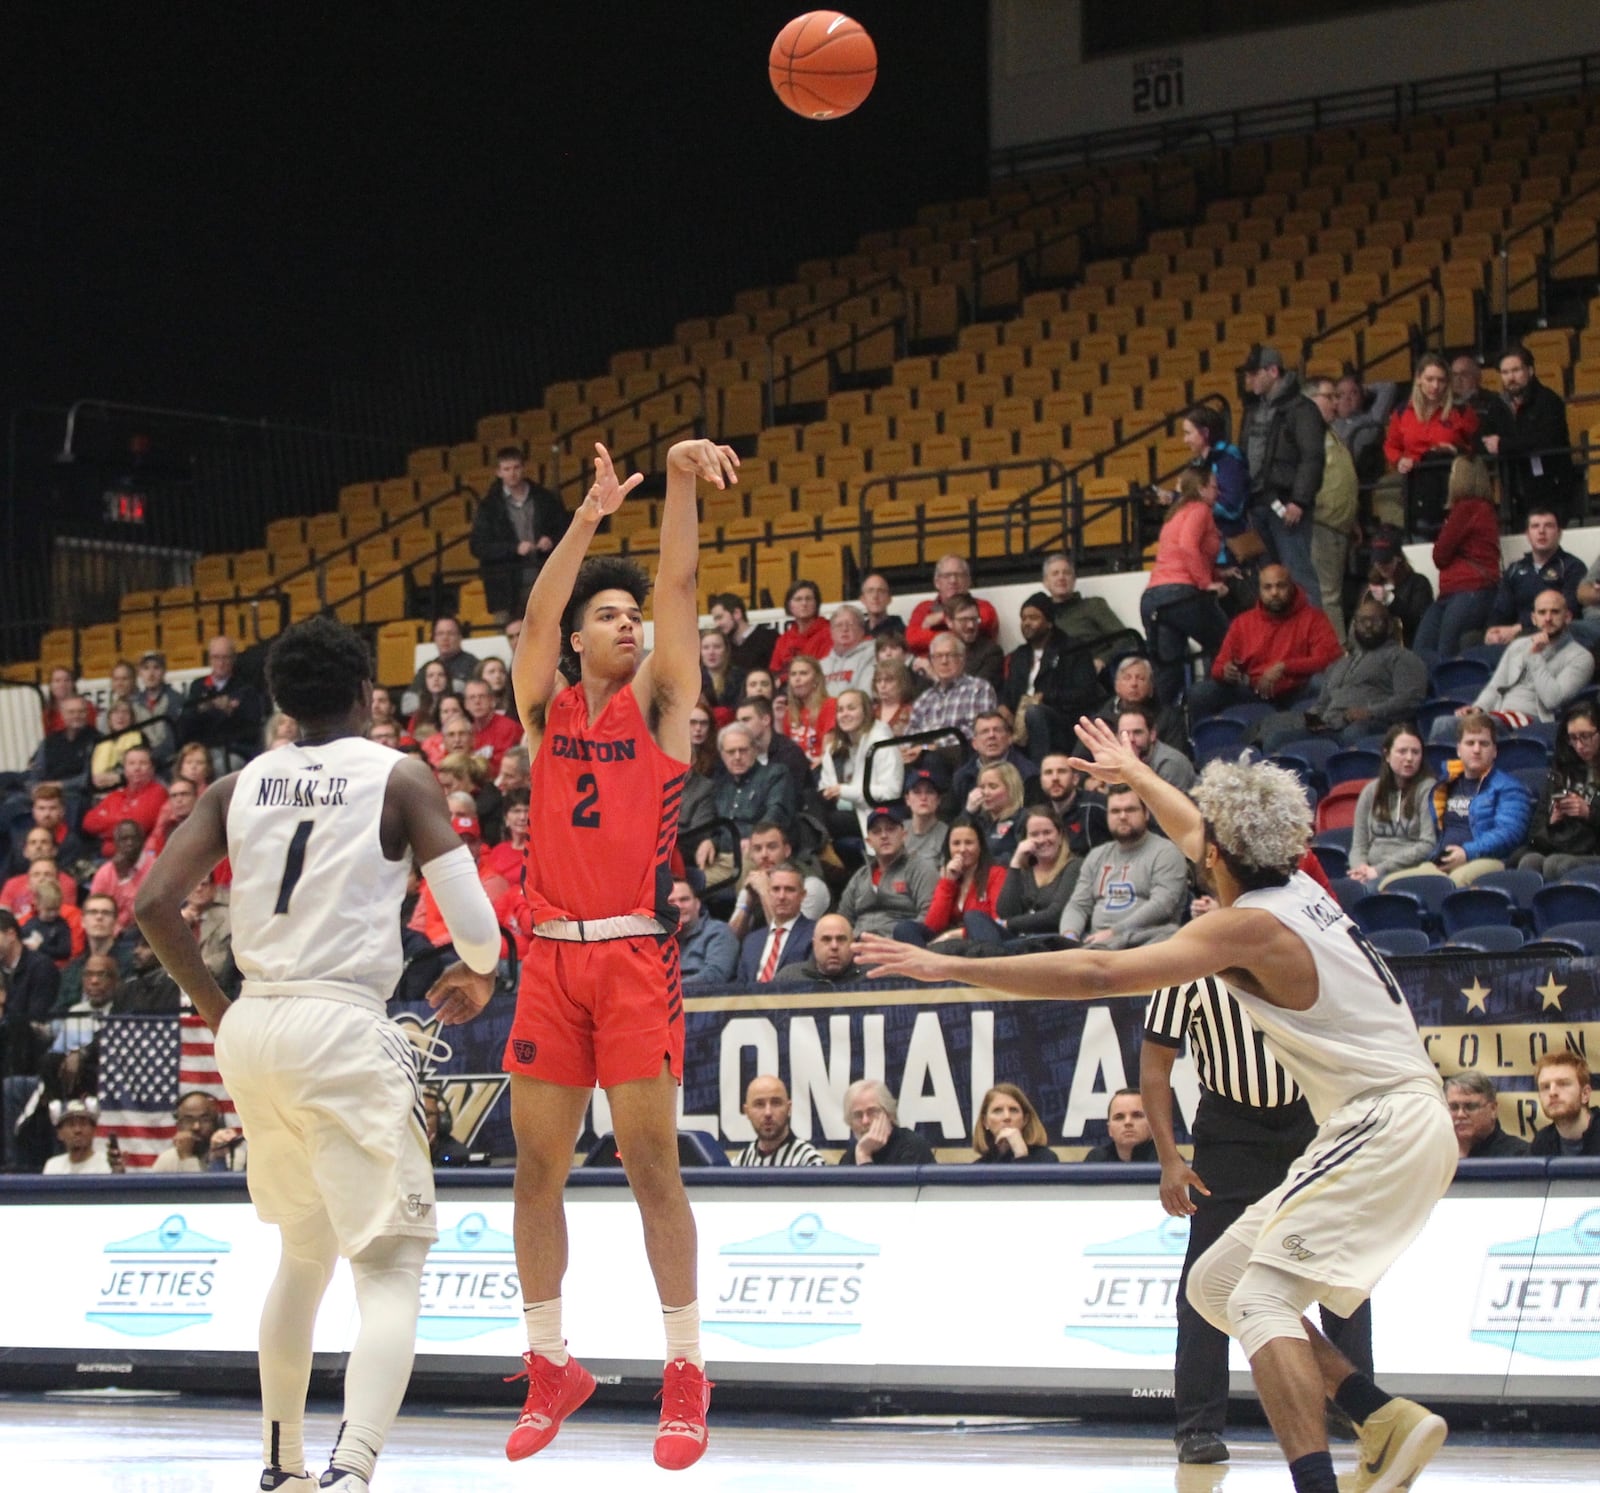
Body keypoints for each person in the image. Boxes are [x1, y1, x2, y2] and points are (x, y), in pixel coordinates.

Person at [858, 719, 1459, 1493]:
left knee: (1262, 1296)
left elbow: (1102, 968)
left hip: (1382, 1121)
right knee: (1216, 1283)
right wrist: (1133, 772)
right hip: (1391, 1117)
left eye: (1203, 836)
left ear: (1216, 856)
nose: (1193, 837)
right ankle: (1379, 1415)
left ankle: (1319, 1482)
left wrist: (952, 966)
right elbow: (1192, 822)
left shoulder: (1249, 925)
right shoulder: (1302, 883)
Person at [133, 613, 502, 1493]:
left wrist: (219, 1011)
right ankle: (351, 1469)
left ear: (279, 704)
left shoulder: (235, 786)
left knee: (303, 1253)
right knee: (390, 1265)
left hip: (255, 1026)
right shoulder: (399, 775)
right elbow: (480, 935)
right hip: (342, 1022)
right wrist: (479, 971)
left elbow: (152, 903)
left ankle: (283, 1463)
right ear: (369, 694)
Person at [497, 438, 737, 1468]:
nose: (628, 622)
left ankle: (685, 1371)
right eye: (611, 614)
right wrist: (590, 516)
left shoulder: (660, 703)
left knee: (651, 1167)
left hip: (634, 956)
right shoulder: (542, 712)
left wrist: (678, 479)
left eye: (631, 617)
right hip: (548, 960)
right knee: (533, 1170)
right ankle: (551, 1361)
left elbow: (678, 579)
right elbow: (535, 616)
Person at [1142, 973, 1373, 1467]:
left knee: (1339, 1270)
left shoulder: (1298, 954)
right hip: (1230, 1132)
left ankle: (1358, 1412)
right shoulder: (1186, 971)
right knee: (1204, 1283)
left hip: (1312, 1119)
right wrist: (1168, 1158)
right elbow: (1156, 1064)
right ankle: (1198, 1426)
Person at [1256, 598, 1428, 753]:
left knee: (1355, 732)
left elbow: (1410, 699)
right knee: (1276, 738)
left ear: (1389, 625)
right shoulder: (1339, 665)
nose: (1368, 626)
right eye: (1362, 621)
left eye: (1375, 621)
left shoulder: (1401, 657)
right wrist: (1312, 718)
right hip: (1328, 728)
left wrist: (1370, 712)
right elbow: (1321, 704)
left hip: (1368, 726)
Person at [1386, 713, 1532, 889]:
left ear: (1494, 751)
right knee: (1389, 885)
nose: (1476, 749)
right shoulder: (1445, 785)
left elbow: (1509, 833)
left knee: (1451, 884)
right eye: (1470, 743)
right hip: (1441, 862)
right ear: (1458, 749)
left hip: (1488, 861)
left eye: (1484, 743)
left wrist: (1466, 852)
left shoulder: (1509, 787)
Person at [1186, 566, 1344, 719]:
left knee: (1322, 683)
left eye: (1280, 586)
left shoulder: (1313, 618)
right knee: (1200, 693)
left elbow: (1330, 659)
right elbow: (1218, 667)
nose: (1274, 593)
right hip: (1254, 692)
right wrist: (1226, 672)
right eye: (1267, 588)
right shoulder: (1243, 623)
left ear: (1292, 587)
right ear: (1260, 591)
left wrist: (1285, 667)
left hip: (1300, 691)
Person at [1431, 589, 1592, 736]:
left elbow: (1552, 700)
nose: (1548, 618)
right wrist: (1478, 709)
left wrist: (1535, 657)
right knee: (1442, 724)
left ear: (1568, 617)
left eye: (1555, 612)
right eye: (1542, 613)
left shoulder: (1580, 657)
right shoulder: (1519, 645)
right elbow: (1495, 686)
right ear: (1534, 619)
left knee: (1484, 727)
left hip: (1535, 719)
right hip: (1499, 715)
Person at [1238, 345, 1325, 605]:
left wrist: (1299, 500)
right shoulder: (1254, 410)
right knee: (1267, 579)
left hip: (1286, 504)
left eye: (1254, 373)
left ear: (1272, 371)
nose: (1248, 379)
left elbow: (1312, 457)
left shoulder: (1302, 409)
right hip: (1258, 503)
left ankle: (1313, 641)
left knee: (1299, 575)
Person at [1058, 786, 1187, 949]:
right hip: (1098, 945)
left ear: (1146, 814)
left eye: (1130, 810)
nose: (1123, 816)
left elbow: (1163, 905)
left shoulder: (1166, 852)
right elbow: (1078, 905)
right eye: (1115, 811)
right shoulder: (1097, 855)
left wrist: (1114, 932)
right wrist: (1069, 937)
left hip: (1148, 942)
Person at [1142, 469, 1231, 705]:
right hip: (1181, 594)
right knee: (1226, 646)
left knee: (1167, 674)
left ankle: (1167, 724)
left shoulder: (1176, 513)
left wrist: (1218, 573)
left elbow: (1182, 555)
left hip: (1154, 597)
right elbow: (1188, 547)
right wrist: (1207, 583)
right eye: (1213, 486)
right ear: (1201, 489)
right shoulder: (1200, 510)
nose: (1218, 491)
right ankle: (1221, 708)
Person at [1411, 456, 1503, 659]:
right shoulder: (1484, 509)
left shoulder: (1465, 509)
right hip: (1470, 590)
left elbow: (1440, 555)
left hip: (1465, 590)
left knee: (1433, 651)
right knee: (1442, 649)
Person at [469, 444, 570, 619]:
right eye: (506, 469)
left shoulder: (545, 498)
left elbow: (565, 529)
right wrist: (513, 548)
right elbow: (478, 546)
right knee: (508, 642)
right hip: (504, 587)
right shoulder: (488, 507)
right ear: (498, 472)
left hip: (543, 578)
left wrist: (551, 539)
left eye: (516, 467)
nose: (512, 473)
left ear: (523, 468)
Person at [1003, 591, 1105, 760]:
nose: (1027, 623)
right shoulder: (1019, 655)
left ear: (1049, 622)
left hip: (1062, 720)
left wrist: (1047, 697)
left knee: (1035, 713)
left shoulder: (1072, 650)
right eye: (1023, 618)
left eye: (1033, 618)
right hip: (1020, 720)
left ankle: (1041, 772)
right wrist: (1004, 707)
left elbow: (1085, 693)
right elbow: (1010, 691)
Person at [1480, 343, 1575, 522]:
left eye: (1516, 370)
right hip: (1514, 493)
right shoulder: (1497, 406)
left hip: (1551, 490)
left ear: (1530, 371)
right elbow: (1485, 439)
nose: (1510, 377)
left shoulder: (1548, 400)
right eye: (1505, 372)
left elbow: (1546, 439)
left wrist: (1503, 445)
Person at [1383, 352, 1478, 532]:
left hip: (1451, 480)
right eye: (1430, 379)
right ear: (1419, 379)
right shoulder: (1403, 412)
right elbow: (1391, 445)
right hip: (1416, 481)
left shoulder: (1461, 411)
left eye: (1441, 380)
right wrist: (1399, 460)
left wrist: (1456, 450)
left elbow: (1477, 447)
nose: (1435, 386)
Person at [1513, 701, 1600, 879]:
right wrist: (1552, 822)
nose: (1579, 745)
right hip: (1565, 846)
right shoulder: (1561, 773)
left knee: (1556, 864)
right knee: (1529, 861)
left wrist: (1588, 813)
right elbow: (1534, 833)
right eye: (1573, 738)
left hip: (1593, 851)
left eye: (1586, 736)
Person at [1306, 376, 1362, 639]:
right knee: (1328, 594)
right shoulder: (1306, 434)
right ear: (1310, 401)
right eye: (1330, 397)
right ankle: (1335, 653)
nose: (1336, 402)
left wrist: (1353, 520)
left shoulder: (1330, 432)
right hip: (1321, 525)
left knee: (1333, 592)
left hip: (1338, 525)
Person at [1347, 726, 1438, 885]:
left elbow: (1428, 845)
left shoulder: (1429, 790)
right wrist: (1360, 869)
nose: (1409, 758)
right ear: (1387, 755)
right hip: (1370, 872)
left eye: (1415, 752)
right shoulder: (1371, 791)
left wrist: (1379, 870)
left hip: (1409, 872)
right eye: (1402, 751)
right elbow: (1359, 846)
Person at [1484, 507, 1586, 646]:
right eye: (1535, 526)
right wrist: (1493, 629)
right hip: (1514, 633)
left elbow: (1569, 609)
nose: (1541, 531)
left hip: (1552, 633)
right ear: (1527, 534)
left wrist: (1518, 628)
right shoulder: (1515, 569)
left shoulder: (1572, 567)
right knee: (1470, 639)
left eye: (1548, 526)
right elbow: (1501, 609)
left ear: (1559, 533)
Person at [899, 817, 1006, 946]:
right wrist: (948, 883)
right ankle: (925, 963)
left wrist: (953, 935)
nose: (962, 849)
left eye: (969, 843)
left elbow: (997, 922)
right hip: (950, 946)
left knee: (973, 917)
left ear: (980, 845)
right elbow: (933, 925)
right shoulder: (947, 877)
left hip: (979, 943)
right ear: (948, 847)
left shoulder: (996, 873)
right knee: (904, 928)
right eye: (956, 843)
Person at [817, 687, 902, 849]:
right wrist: (828, 793)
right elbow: (825, 785)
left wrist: (844, 791)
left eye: (851, 708)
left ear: (866, 712)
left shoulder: (882, 744)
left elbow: (891, 791)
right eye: (840, 710)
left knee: (829, 821)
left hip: (875, 813)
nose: (844, 714)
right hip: (845, 811)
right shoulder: (833, 750)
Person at [983, 807, 1082, 941]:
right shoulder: (1024, 871)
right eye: (1034, 834)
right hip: (1019, 941)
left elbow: (1056, 915)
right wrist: (1016, 862)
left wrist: (1010, 924)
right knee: (974, 918)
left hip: (1052, 941)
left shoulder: (1075, 866)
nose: (1041, 839)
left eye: (1047, 832)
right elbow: (1005, 913)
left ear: (1060, 835)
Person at [837, 808, 938, 937]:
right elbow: (842, 921)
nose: (884, 836)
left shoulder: (921, 868)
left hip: (899, 946)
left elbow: (929, 917)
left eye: (890, 829)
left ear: (904, 835)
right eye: (876, 831)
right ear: (869, 841)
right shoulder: (859, 876)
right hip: (859, 945)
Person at [726, 820, 830, 938]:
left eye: (771, 847)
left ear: (787, 851)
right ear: (751, 855)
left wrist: (765, 892)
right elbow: (730, 941)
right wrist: (747, 906)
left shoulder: (811, 885)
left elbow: (789, 940)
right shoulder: (755, 882)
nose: (764, 855)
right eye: (758, 849)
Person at [178, 636, 265, 773]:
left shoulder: (245, 688)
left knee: (220, 765)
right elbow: (187, 719)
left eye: (226, 657)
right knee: (188, 764)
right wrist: (206, 707)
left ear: (234, 659)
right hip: (203, 747)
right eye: (216, 657)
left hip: (233, 749)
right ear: (209, 659)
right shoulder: (198, 686)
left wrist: (231, 712)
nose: (221, 663)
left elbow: (252, 726)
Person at [1039, 554, 1142, 668]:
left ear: (1074, 579)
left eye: (1066, 573)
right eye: (1055, 573)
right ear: (1045, 582)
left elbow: (1126, 639)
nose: (1061, 577)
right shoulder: (1041, 615)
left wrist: (1102, 660)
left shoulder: (1093, 605)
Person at [903, 635, 999, 757]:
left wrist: (932, 747)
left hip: (961, 756)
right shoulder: (925, 698)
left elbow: (978, 731)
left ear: (962, 659)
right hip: (921, 757)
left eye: (950, 655)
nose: (944, 661)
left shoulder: (979, 688)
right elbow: (910, 732)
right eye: (938, 656)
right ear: (931, 661)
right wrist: (909, 749)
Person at [1174, 405, 1250, 544]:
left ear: (1205, 432)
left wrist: (1191, 502)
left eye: (1188, 433)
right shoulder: (1196, 464)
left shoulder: (1229, 459)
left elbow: (1232, 507)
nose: (1185, 440)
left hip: (1228, 544)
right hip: (1206, 542)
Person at [81, 743, 168, 857]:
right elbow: (88, 822)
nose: (137, 768)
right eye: (131, 763)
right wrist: (123, 819)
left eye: (143, 763)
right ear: (125, 770)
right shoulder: (117, 795)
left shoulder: (158, 792)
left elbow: (138, 826)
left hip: (141, 857)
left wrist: (108, 821)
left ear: (152, 769)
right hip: (108, 858)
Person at [733, 865, 814, 985]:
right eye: (776, 889)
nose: (781, 896)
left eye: (789, 889)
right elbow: (740, 986)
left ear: (802, 895)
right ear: (768, 893)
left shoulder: (814, 934)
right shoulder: (752, 940)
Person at [951, 711, 1039, 812]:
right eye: (984, 731)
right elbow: (950, 818)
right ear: (974, 744)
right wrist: (968, 813)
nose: (991, 736)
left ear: (1010, 738)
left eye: (997, 730)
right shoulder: (962, 777)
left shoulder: (1029, 774)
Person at [836, 1077, 936, 1166]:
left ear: (889, 1114)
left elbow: (884, 1188)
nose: (865, 1121)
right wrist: (862, 1152)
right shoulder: (850, 1157)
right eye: (858, 1115)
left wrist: (864, 1157)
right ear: (850, 1122)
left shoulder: (913, 1148)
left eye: (872, 1112)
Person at [733, 695, 812, 802]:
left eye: (746, 720)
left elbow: (787, 800)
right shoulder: (738, 755)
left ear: (766, 720)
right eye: (738, 722)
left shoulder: (790, 754)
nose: (740, 727)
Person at [1363, 526, 1432, 648]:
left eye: (1387, 561)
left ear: (1398, 558)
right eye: (1378, 562)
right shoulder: (1370, 589)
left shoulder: (1418, 583)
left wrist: (1390, 600)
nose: (1382, 566)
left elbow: (1420, 622)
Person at [734, 1075, 824, 1166]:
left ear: (789, 1108)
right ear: (747, 1112)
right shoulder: (740, 1162)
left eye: (776, 1103)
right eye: (759, 1104)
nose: (768, 1113)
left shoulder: (809, 1161)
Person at [150, 1089, 244, 1173]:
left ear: (217, 1123)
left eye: (204, 1120)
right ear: (178, 1126)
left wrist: (187, 1158)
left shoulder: (234, 1156)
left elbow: (207, 1192)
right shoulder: (167, 1159)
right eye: (188, 1120)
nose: (196, 1127)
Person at [1529, 1052, 1599, 1157]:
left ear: (1585, 1094)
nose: (1552, 1092)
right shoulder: (1541, 1143)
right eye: (1546, 1087)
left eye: (1563, 1084)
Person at [1445, 1071, 1529, 1160]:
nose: (1460, 1114)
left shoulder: (1519, 1155)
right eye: (1453, 1107)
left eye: (1470, 1107)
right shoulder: (1435, 1153)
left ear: (1493, 1109)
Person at [89, 820, 153, 933]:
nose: (129, 843)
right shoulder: (105, 873)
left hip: (144, 932)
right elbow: (94, 908)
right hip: (110, 933)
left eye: (134, 838)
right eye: (124, 839)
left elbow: (142, 912)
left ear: (143, 841)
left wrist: (124, 879)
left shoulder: (154, 869)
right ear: (116, 843)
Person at [773, 912, 865, 989]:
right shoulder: (788, 978)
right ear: (814, 944)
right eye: (826, 939)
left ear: (853, 943)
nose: (834, 946)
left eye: (841, 939)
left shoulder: (870, 977)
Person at [1117, 704, 1196, 793]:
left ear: (1152, 734)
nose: (1131, 739)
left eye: (1137, 732)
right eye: (1124, 734)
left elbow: (1165, 805)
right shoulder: (1119, 760)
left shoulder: (1170, 764)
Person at [971, 1083, 1057, 1163]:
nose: (1007, 1117)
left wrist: (1021, 1154)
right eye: (997, 1111)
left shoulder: (1046, 1159)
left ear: (1025, 1120)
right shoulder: (978, 1168)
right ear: (985, 1122)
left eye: (1013, 1110)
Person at [768, 579, 832, 683]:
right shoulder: (783, 640)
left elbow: (824, 669)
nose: (804, 603)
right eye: (798, 599)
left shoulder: (829, 633)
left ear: (816, 604)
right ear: (790, 605)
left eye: (809, 599)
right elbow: (775, 674)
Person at [780, 654, 836, 766]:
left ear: (816, 679)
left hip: (820, 769)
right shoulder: (789, 712)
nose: (797, 679)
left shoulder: (830, 705)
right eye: (793, 674)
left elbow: (828, 751)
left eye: (803, 673)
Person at [41, 1097, 120, 1176]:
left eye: (83, 1124)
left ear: (94, 1130)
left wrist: (117, 1175)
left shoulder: (107, 1166)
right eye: (71, 1125)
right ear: (59, 1134)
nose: (77, 1130)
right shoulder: (53, 1166)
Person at [462, 678, 523, 777]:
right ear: (466, 704)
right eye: (472, 697)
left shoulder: (508, 727)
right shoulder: (466, 731)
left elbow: (502, 768)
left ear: (492, 700)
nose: (477, 701)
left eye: (482, 697)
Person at [1081, 1088, 1157, 1162]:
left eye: (1137, 1116)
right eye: (1119, 1117)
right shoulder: (1097, 1160)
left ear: (1152, 1125)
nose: (1128, 1122)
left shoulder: (1166, 1158)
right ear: (1109, 1129)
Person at [708, 593, 777, 674]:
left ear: (737, 613)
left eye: (720, 617)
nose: (717, 624)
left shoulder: (768, 638)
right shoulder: (725, 647)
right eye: (715, 620)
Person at [971, 763, 1027, 862]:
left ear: (1010, 788)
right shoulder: (977, 820)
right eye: (982, 787)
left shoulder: (1023, 819)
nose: (986, 792)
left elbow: (1022, 856)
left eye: (993, 787)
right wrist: (968, 812)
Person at [819, 604, 876, 696]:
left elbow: (866, 695)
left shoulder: (872, 656)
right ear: (831, 632)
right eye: (839, 625)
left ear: (862, 631)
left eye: (850, 624)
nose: (844, 629)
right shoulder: (821, 665)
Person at [698, 628, 745, 717]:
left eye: (717, 647)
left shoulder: (740, 677)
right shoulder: (693, 681)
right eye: (706, 648)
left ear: (726, 650)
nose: (711, 652)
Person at [858, 573, 904, 637]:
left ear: (889, 599)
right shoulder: (858, 633)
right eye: (870, 591)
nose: (875, 596)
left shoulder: (902, 633)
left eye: (881, 591)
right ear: (862, 599)